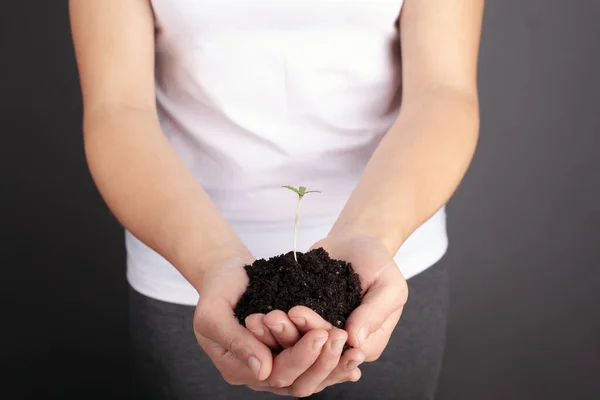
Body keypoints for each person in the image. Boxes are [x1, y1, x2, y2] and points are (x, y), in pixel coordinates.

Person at [70, 0, 482, 398]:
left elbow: (443, 91)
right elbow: (117, 108)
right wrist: (210, 261)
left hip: (387, 265)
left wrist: (369, 236)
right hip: (187, 272)